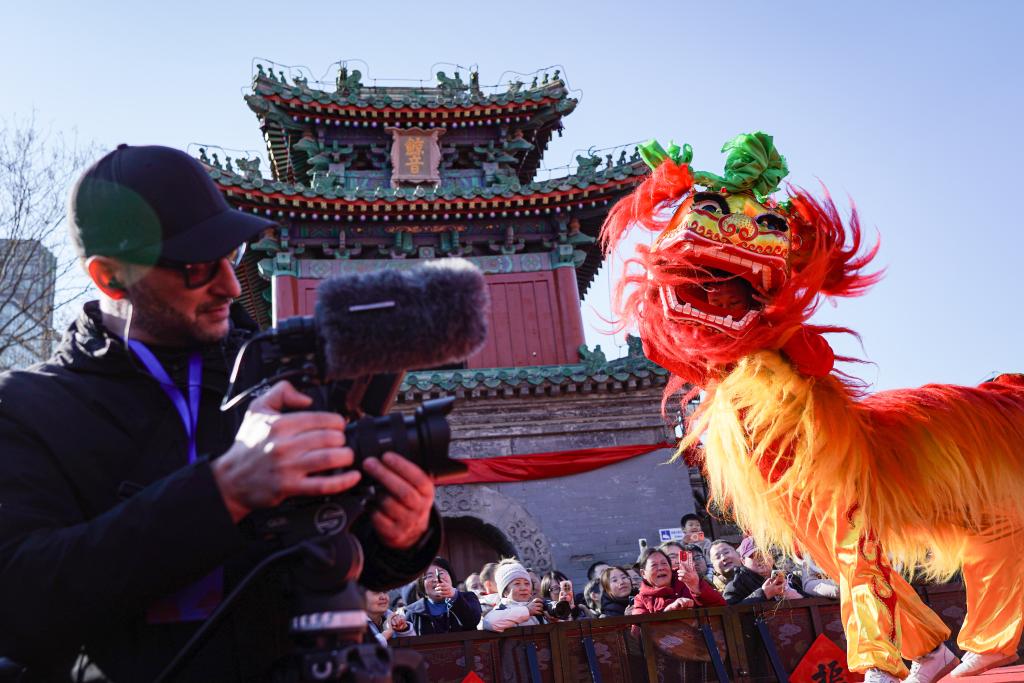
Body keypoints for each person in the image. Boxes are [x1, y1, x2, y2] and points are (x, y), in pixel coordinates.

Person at [0, 145, 442, 681]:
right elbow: (20, 601)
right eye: (196, 268)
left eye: (231, 256)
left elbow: (344, 545)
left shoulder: (279, 380)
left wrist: (404, 533)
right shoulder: (25, 407)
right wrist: (224, 491)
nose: (231, 285)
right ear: (110, 277)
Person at [632, 547, 726, 616]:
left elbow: (722, 607)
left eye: (664, 563)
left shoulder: (689, 581)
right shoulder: (641, 599)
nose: (660, 568)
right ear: (643, 573)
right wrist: (667, 612)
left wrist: (696, 588)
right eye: (654, 565)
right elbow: (639, 632)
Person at [403, 558, 482, 635]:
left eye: (440, 573)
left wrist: (454, 596)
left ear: (450, 576)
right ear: (421, 584)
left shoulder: (469, 598)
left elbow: (472, 622)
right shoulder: (412, 612)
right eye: (429, 576)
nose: (436, 579)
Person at [723, 537, 804, 605]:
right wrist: (763, 594)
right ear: (743, 561)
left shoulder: (790, 578)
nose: (761, 558)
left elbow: (811, 602)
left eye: (765, 553)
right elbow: (730, 614)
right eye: (753, 555)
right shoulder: (735, 585)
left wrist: (797, 596)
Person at [481, 561, 546, 632]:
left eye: (527, 583)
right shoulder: (500, 609)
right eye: (517, 583)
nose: (523, 588)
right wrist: (527, 611)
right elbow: (489, 623)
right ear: (505, 591)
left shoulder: (537, 609)